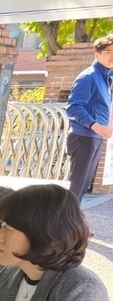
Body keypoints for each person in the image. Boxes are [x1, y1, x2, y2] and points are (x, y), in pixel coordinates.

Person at [65, 34, 113, 202]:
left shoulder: (106, 78)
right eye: (108, 51)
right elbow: (74, 107)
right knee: (76, 187)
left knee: (82, 187)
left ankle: (71, 225)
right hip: (83, 136)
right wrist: (95, 125)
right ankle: (65, 226)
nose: (112, 56)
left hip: (95, 137)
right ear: (97, 54)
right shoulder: (89, 76)